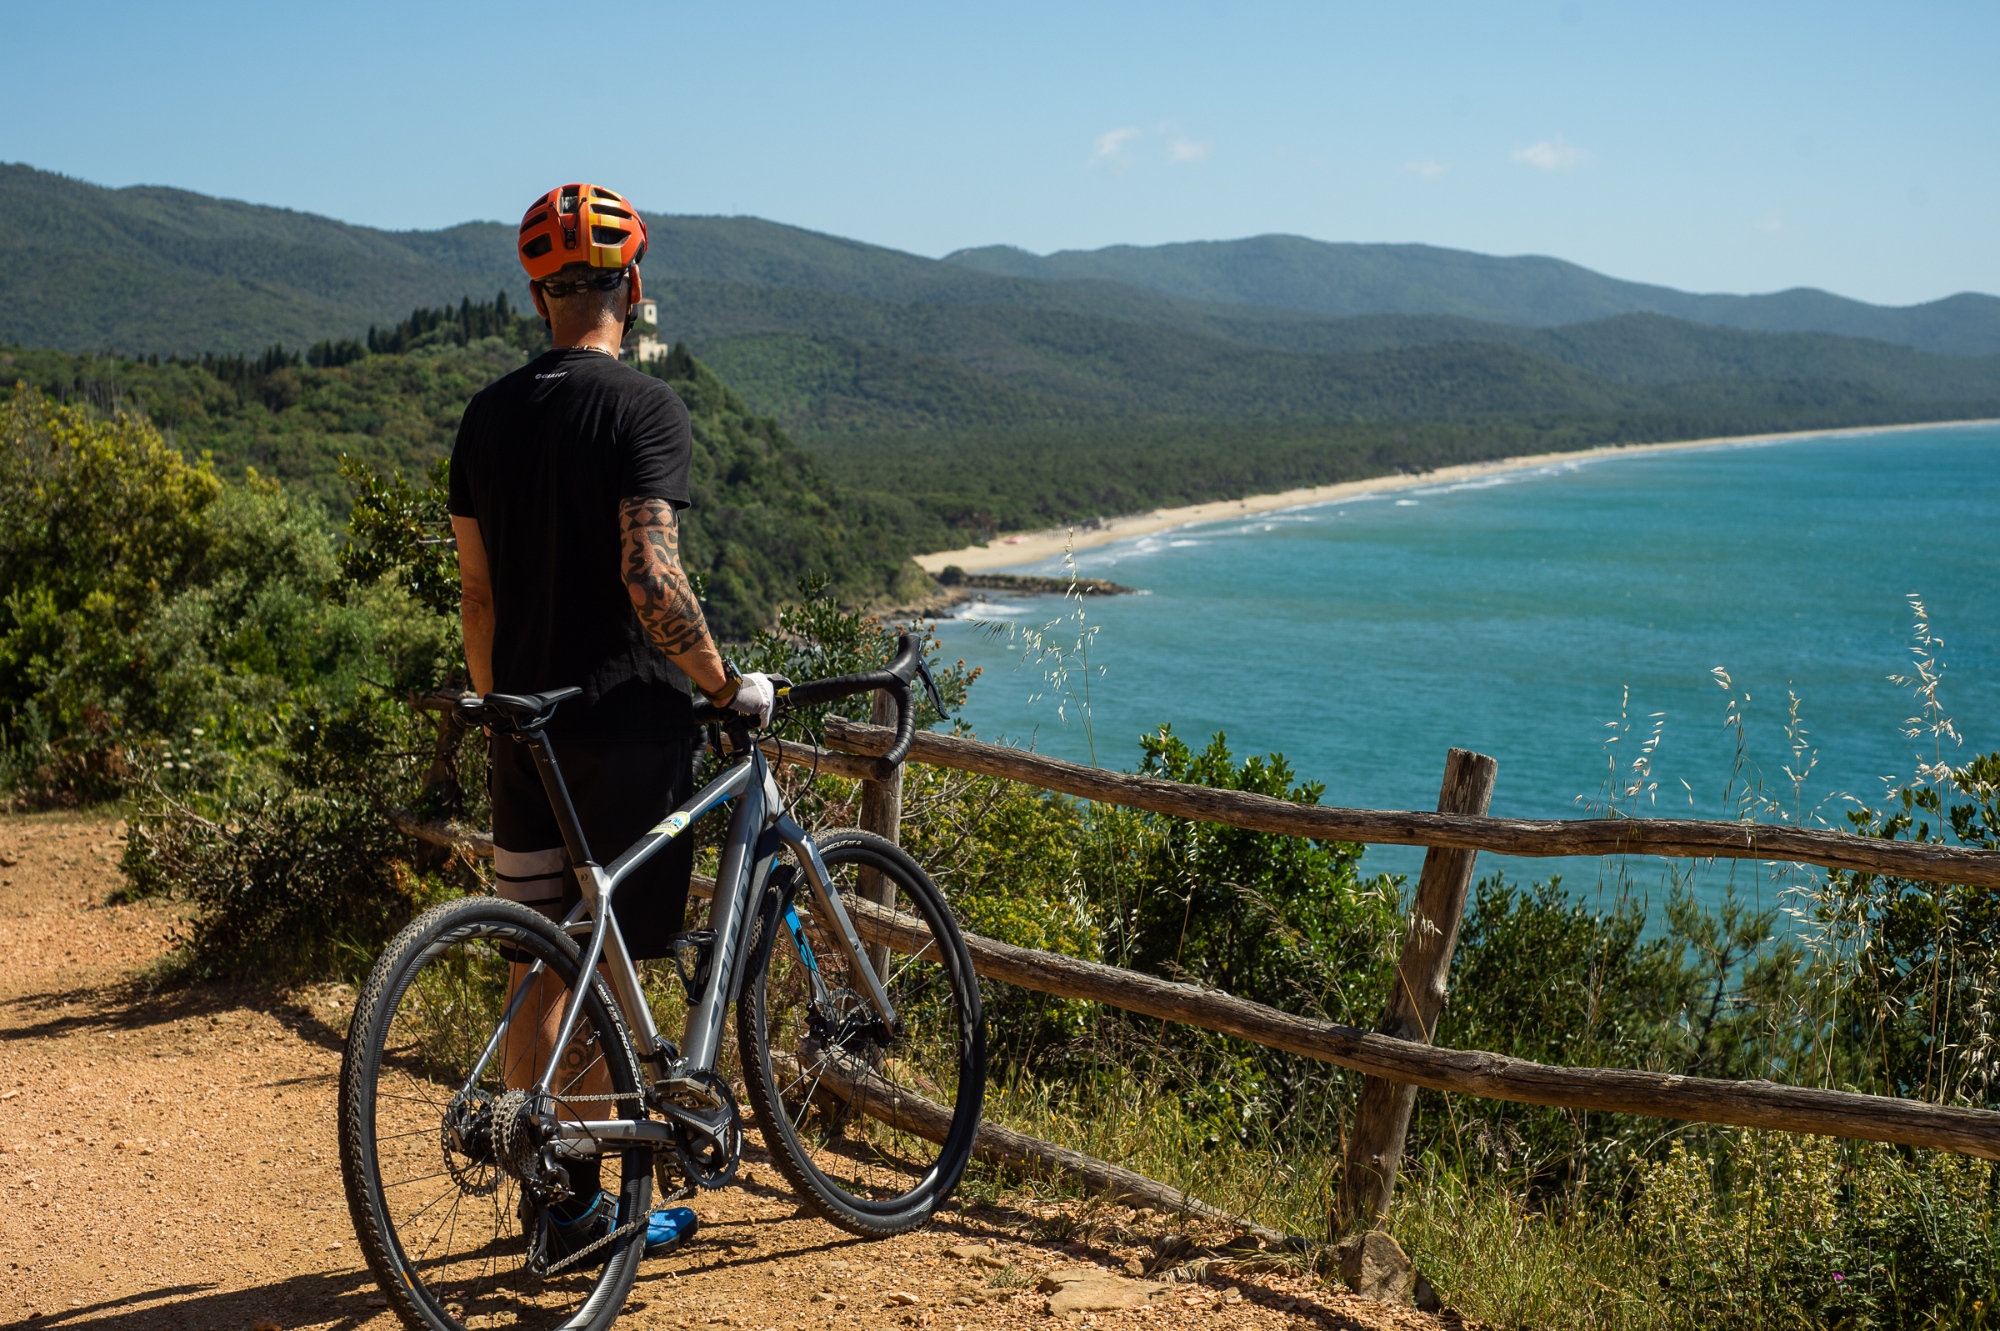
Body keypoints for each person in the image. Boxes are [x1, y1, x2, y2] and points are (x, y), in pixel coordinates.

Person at [448, 181, 774, 1263]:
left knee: (534, 958)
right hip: (628, 721)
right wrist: (725, 686)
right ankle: (587, 1212)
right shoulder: (644, 407)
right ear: (631, 285)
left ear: (537, 296)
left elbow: (477, 596)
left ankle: (549, 1195)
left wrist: (499, 710)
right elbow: (651, 577)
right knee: (607, 964)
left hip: (520, 722)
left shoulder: (486, 414)